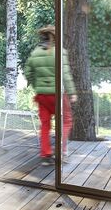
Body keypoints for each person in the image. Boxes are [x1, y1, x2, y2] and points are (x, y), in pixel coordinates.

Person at [24, 26, 75, 165]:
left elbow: (27, 72)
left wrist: (37, 85)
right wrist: (72, 92)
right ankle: (62, 152)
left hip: (42, 96)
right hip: (57, 95)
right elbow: (65, 74)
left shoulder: (35, 53)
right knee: (66, 121)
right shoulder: (60, 52)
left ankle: (46, 155)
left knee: (45, 125)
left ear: (43, 37)